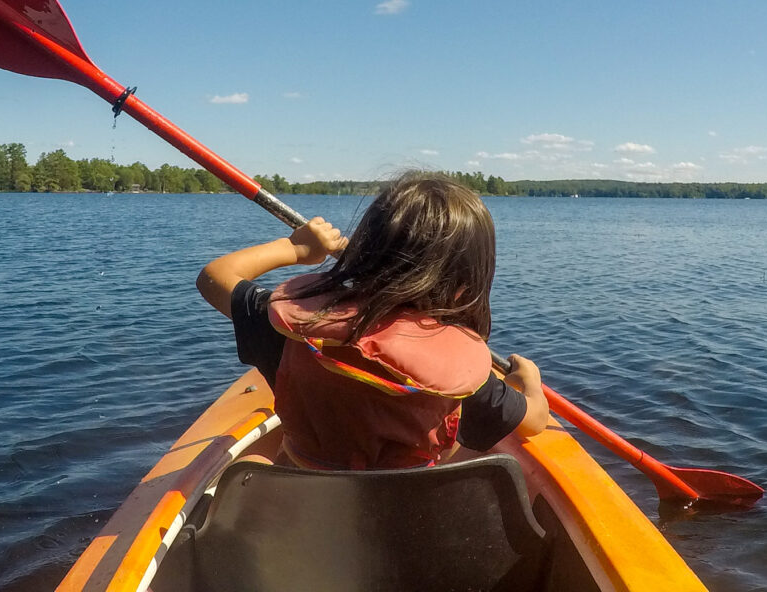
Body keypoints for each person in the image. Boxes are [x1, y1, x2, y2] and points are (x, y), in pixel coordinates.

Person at [196, 172, 547, 470]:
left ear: (365, 246)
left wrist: (296, 249)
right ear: (466, 283)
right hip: (404, 518)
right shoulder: (462, 377)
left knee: (253, 464)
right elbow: (533, 422)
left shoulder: (292, 331)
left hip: (306, 511)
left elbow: (215, 276)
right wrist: (528, 381)